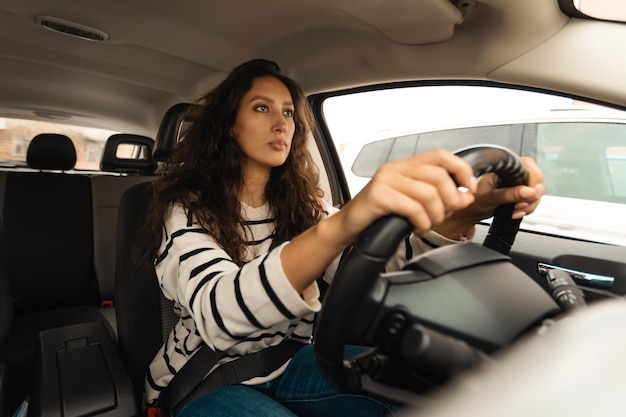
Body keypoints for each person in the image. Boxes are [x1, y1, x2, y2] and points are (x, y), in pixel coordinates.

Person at [140, 58, 545, 417]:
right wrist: (344, 222)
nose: (282, 122)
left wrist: (468, 211)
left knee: (435, 387)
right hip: (207, 380)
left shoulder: (301, 205)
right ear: (229, 125)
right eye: (261, 108)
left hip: (293, 361)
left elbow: (379, 263)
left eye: (288, 112)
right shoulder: (185, 209)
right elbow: (219, 312)